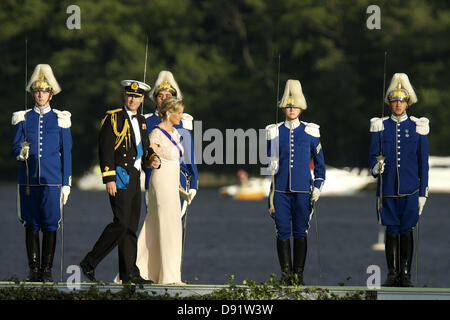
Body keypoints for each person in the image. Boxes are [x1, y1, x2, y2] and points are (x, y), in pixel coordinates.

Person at [79, 80, 160, 284]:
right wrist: (109, 178)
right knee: (121, 222)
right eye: (129, 95)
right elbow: (105, 149)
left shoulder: (141, 120)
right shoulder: (113, 118)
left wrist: (152, 158)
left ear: (142, 100)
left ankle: (129, 273)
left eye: (136, 97)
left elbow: (145, 146)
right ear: (125, 96)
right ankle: (89, 262)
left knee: (131, 226)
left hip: (135, 177)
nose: (132, 99)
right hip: (120, 176)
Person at [12, 64, 72, 282]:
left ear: (51, 95)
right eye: (37, 91)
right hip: (28, 181)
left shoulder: (60, 119)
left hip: (52, 181)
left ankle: (46, 270)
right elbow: (14, 147)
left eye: (44, 91)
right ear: (33, 94)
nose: (40, 95)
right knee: (30, 224)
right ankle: (33, 269)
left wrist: (66, 182)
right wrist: (21, 153)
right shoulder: (23, 118)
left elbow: (66, 152)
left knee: (50, 224)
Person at [369, 73, 429, 287]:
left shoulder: (417, 127)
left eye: (401, 101)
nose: (397, 105)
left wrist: (423, 192)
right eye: (394, 102)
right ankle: (392, 273)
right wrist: (376, 167)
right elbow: (372, 157)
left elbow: (423, 163)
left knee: (407, 230)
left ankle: (406, 274)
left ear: (407, 104)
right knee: (391, 231)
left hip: (411, 189)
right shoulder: (380, 126)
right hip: (388, 189)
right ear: (390, 104)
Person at [265, 79, 326, 285]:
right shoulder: (274, 131)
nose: (291, 109)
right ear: (284, 108)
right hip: (280, 191)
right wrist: (270, 162)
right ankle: (286, 275)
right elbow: (267, 159)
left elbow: (320, 166)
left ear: (301, 108)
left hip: (302, 191)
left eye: (295, 106)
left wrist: (317, 187)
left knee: (300, 231)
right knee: (282, 231)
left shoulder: (310, 132)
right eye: (288, 106)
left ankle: (298, 276)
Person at [135, 97, 186, 284]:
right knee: (166, 226)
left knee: (169, 226)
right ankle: (168, 277)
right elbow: (150, 157)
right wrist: (152, 159)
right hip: (161, 181)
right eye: (178, 112)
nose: (181, 116)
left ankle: (155, 273)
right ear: (168, 113)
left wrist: (180, 185)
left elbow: (176, 162)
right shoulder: (156, 133)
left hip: (173, 183)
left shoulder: (176, 133)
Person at [144, 71, 198, 216]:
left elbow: (189, 156)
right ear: (155, 99)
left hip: (178, 179)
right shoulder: (145, 121)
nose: (163, 99)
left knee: (175, 223)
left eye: (168, 96)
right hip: (153, 177)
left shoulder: (182, 122)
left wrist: (193, 183)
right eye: (160, 96)